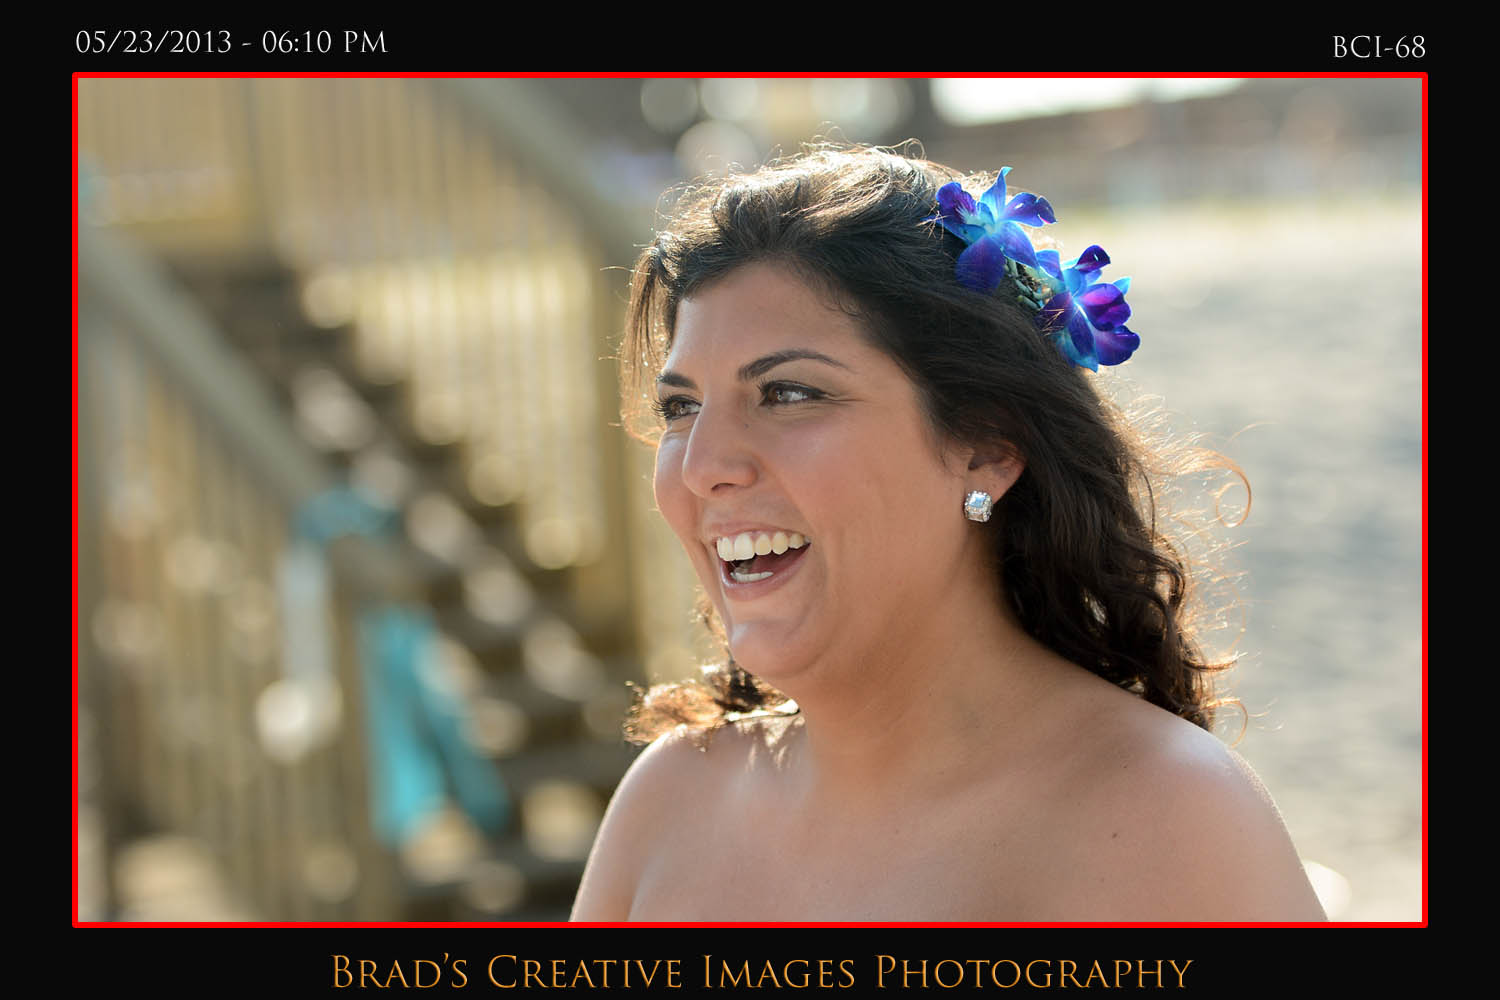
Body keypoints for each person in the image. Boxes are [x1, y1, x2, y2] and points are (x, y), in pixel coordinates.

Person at [570, 143, 1326, 922]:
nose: (703, 467)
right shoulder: (669, 801)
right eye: (681, 407)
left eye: (788, 393)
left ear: (988, 448)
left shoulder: (1166, 820)